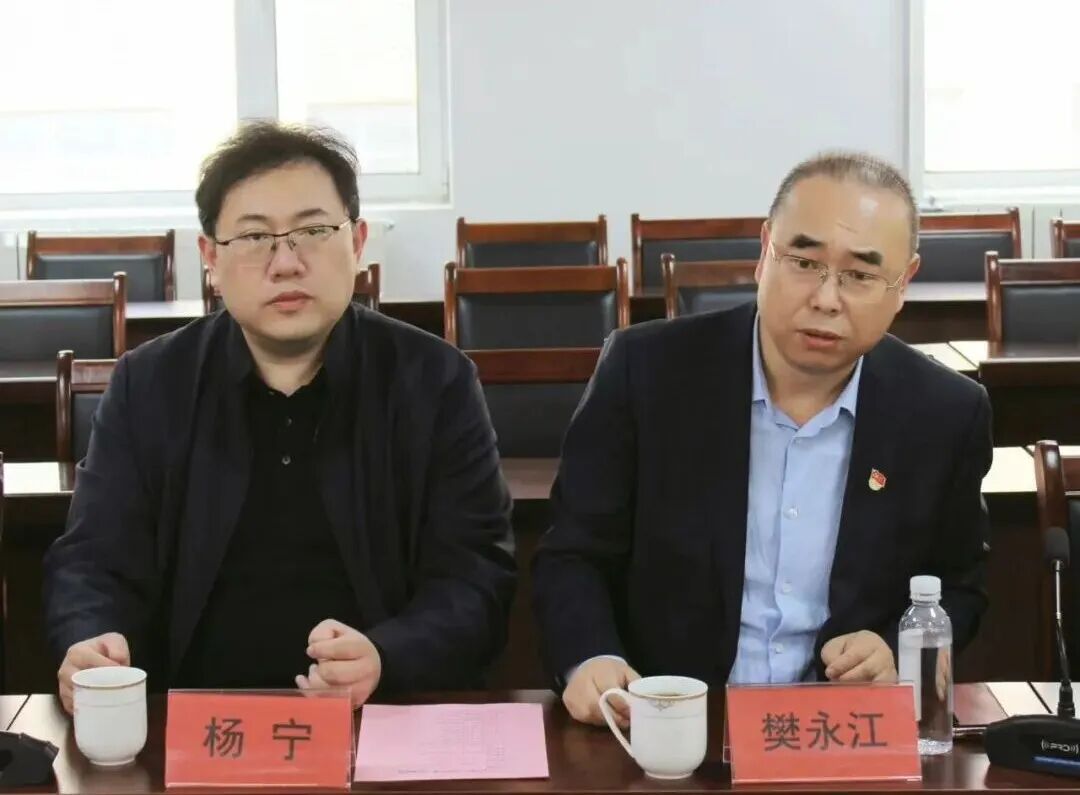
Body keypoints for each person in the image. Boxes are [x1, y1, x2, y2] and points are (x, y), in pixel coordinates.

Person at [44, 122, 516, 713]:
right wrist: (91, 641)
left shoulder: (435, 381)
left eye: (313, 231)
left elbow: (476, 575)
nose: (286, 263)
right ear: (210, 257)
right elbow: (93, 560)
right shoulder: (149, 384)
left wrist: (387, 655)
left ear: (357, 241)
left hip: (381, 719)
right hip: (193, 725)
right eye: (253, 237)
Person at [533, 151, 991, 727]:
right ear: (764, 251)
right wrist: (590, 658)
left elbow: (960, 587)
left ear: (904, 284)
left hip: (843, 734)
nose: (826, 298)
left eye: (860, 275)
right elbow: (572, 554)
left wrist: (898, 652)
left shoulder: (945, 413)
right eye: (804, 261)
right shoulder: (646, 372)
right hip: (666, 727)